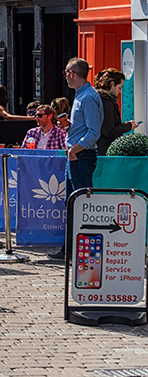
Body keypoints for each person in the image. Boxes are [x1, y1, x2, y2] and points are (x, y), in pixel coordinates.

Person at [49, 58, 103, 261]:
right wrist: (70, 128)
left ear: (72, 73)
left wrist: (75, 150)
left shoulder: (88, 97)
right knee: (72, 202)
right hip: (77, 154)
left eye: (65, 73)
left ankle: (83, 251)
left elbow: (93, 133)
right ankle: (69, 249)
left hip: (81, 156)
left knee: (81, 203)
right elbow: (87, 128)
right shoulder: (83, 95)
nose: (64, 77)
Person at [94, 68, 140, 155]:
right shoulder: (106, 102)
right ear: (112, 84)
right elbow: (109, 131)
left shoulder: (96, 99)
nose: (120, 91)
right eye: (119, 87)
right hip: (105, 150)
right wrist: (128, 126)